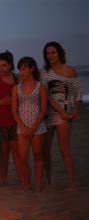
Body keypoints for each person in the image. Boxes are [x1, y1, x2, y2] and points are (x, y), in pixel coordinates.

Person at [41, 41, 82, 190]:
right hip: (49, 114)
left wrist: (75, 109)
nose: (50, 55)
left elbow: (77, 92)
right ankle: (50, 180)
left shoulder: (70, 71)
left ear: (59, 53)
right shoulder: (44, 73)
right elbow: (46, 96)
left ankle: (71, 183)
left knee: (64, 149)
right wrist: (60, 110)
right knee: (45, 150)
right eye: (47, 53)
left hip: (65, 115)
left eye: (53, 52)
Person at [0, 51, 24, 186]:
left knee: (17, 152)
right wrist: (2, 102)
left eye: (4, 65)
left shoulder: (18, 79)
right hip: (0, 122)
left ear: (10, 65)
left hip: (17, 121)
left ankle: (23, 180)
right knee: (3, 152)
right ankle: (3, 181)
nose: (1, 68)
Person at [12, 57, 47, 192]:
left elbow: (43, 110)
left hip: (37, 126)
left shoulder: (40, 87)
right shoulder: (16, 88)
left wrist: (33, 128)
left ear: (32, 69)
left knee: (38, 156)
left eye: (24, 69)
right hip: (22, 127)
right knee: (22, 157)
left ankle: (37, 185)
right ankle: (26, 184)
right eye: (20, 69)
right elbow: (14, 109)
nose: (21, 72)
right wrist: (22, 127)